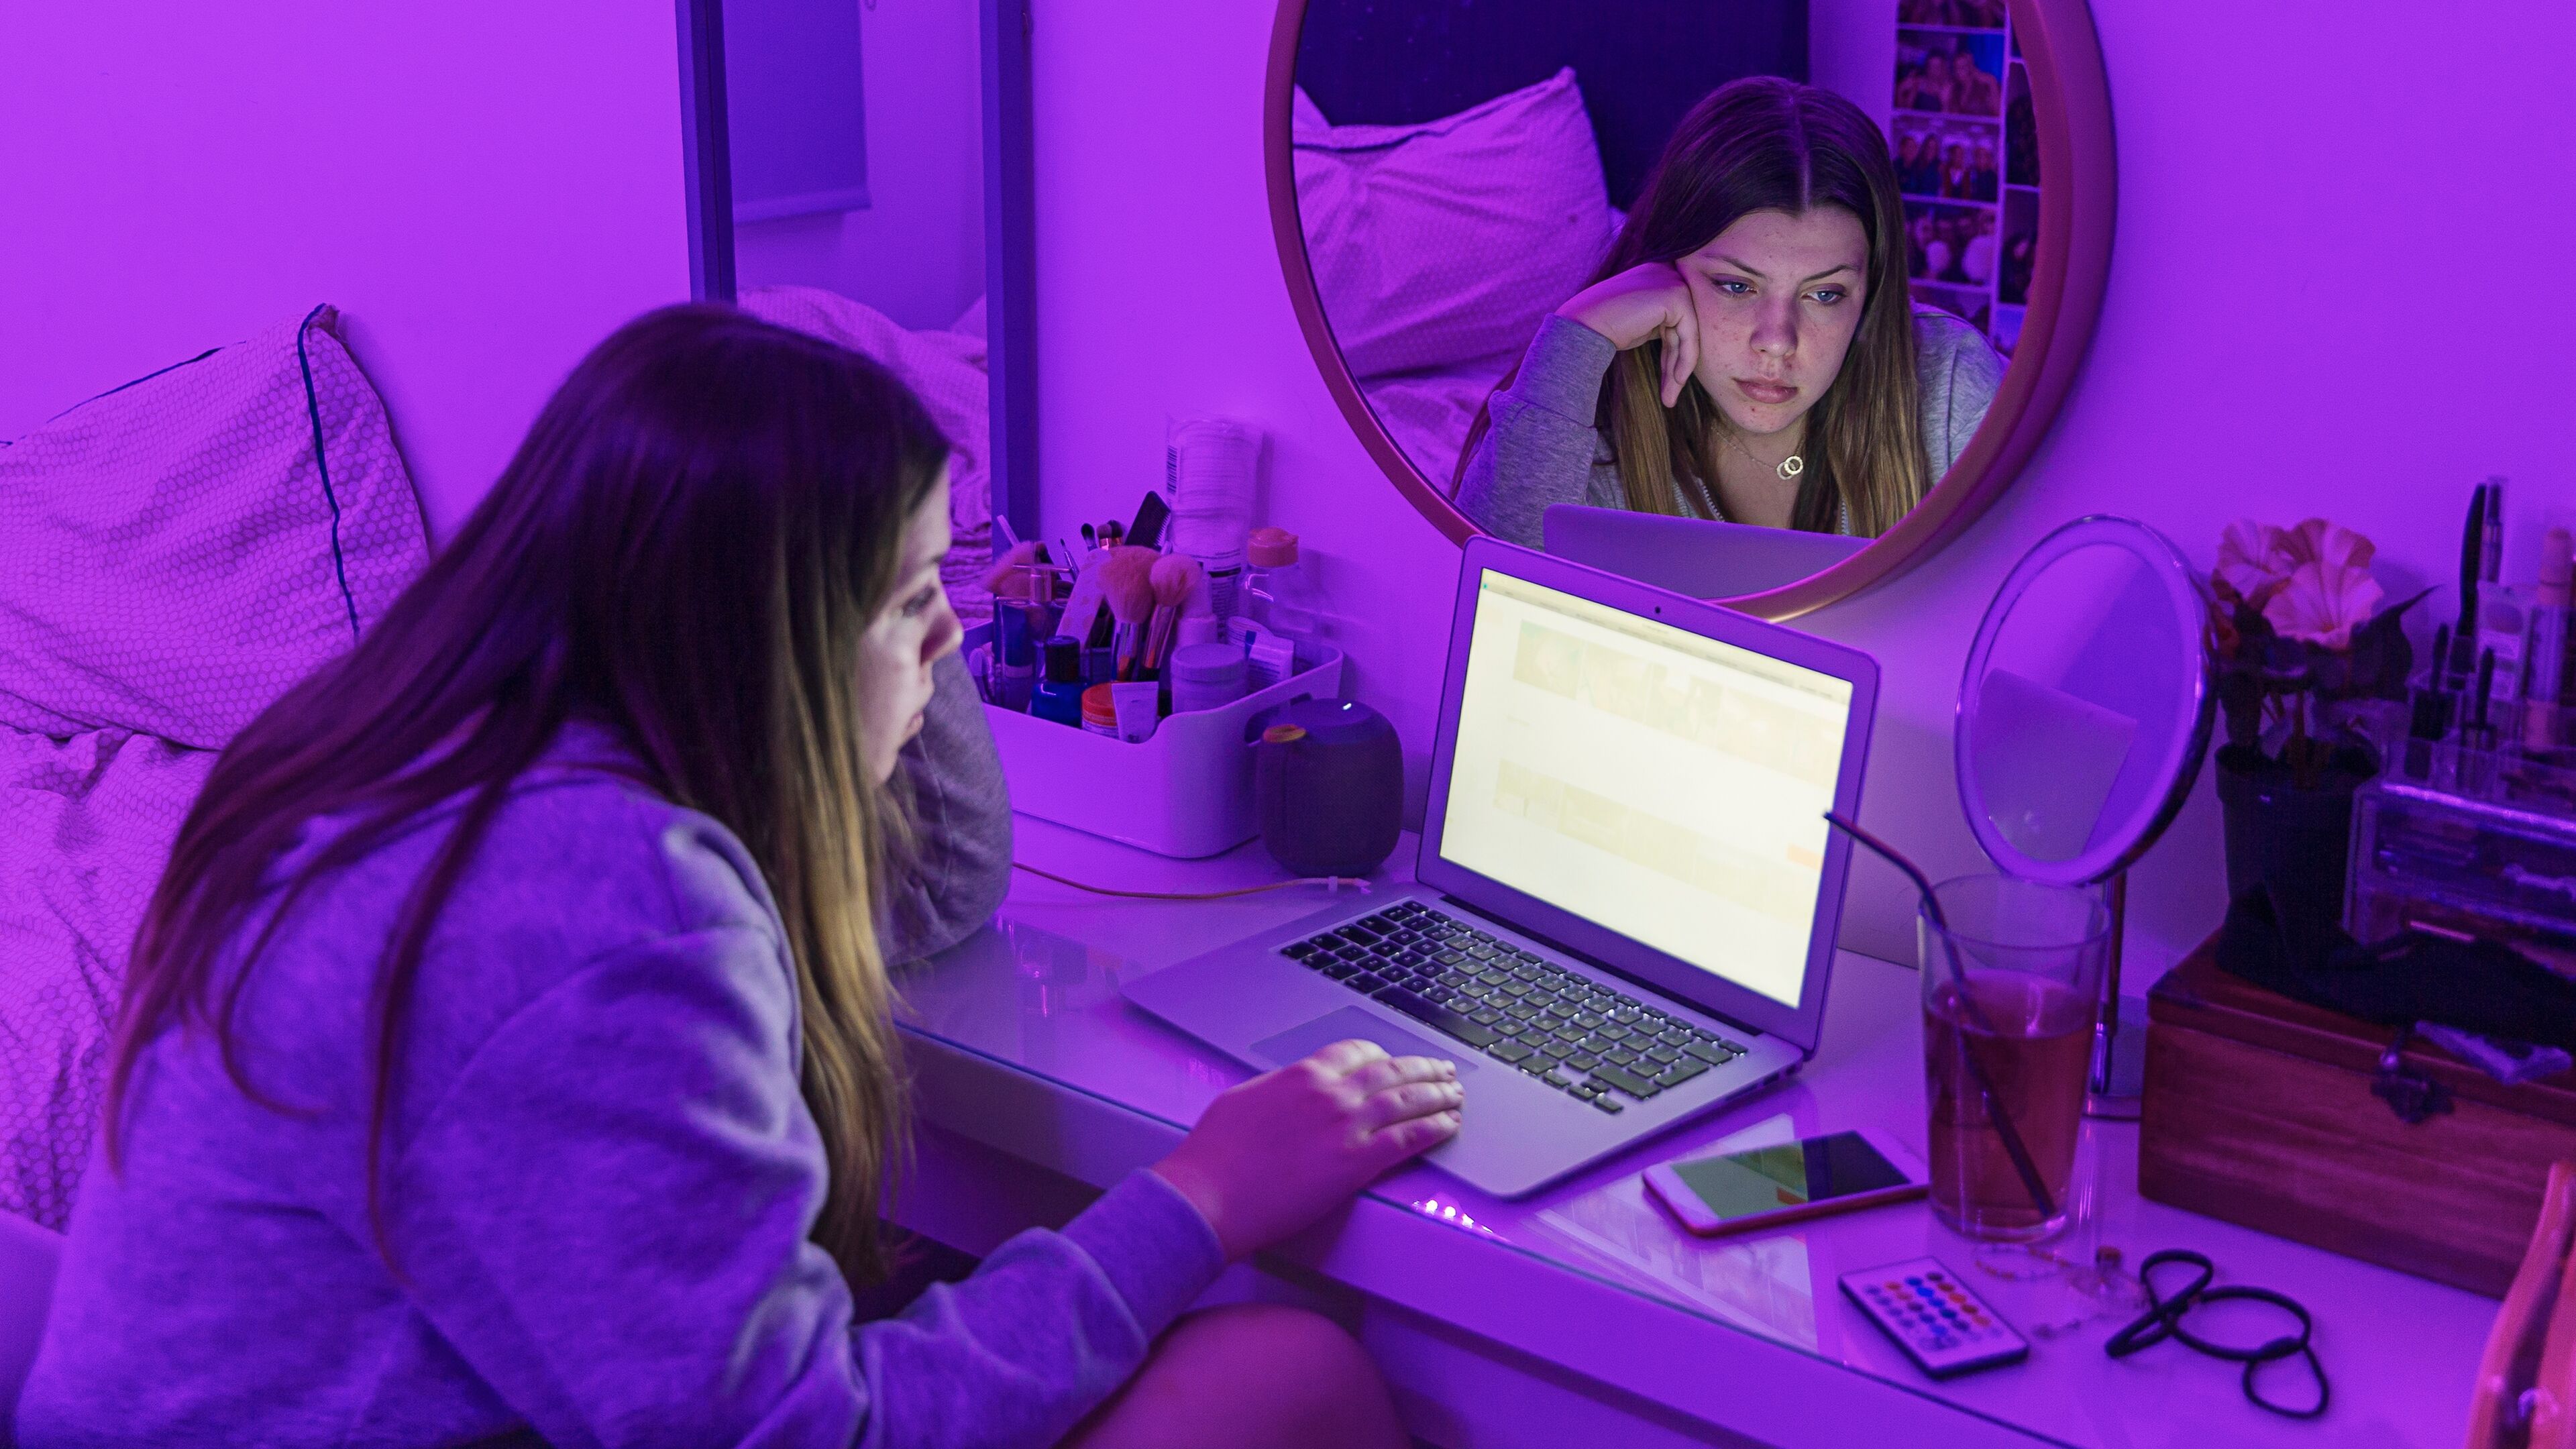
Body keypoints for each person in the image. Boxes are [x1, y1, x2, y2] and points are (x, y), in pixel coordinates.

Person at [17, 306, 1464, 1447]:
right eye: (913, 602)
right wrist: (1203, 1191)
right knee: (1289, 1373)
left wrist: (883, 544)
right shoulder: (603, 899)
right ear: (762, 643)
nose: (952, 641)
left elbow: (939, 887)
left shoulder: (432, 751)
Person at [1456, 78, 2005, 541]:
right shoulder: (1579, 414)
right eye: (1736, 286)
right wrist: (1577, 337)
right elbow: (1488, 596)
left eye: (1825, 295)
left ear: (1872, 294)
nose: (1777, 340)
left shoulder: (1947, 386)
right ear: (1668, 266)